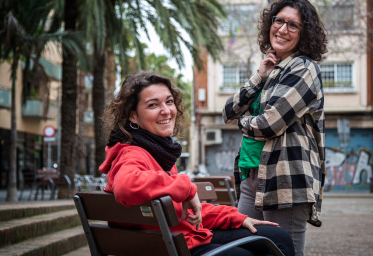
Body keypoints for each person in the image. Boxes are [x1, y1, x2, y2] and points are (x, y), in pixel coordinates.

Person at [100, 71, 295, 256]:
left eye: (169, 102)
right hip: (178, 246)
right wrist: (185, 186)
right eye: (153, 105)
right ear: (133, 115)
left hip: (180, 238)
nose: (166, 111)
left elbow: (185, 211)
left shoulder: (155, 152)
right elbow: (126, 186)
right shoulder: (131, 153)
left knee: (277, 236)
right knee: (270, 244)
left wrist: (235, 217)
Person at [222, 0, 328, 256]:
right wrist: (260, 75)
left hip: (285, 178)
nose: (282, 29)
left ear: (305, 34)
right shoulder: (272, 70)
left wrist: (243, 122)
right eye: (279, 20)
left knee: (282, 252)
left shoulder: (304, 68)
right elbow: (228, 110)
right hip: (251, 176)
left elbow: (269, 124)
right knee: (246, 249)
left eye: (293, 25)